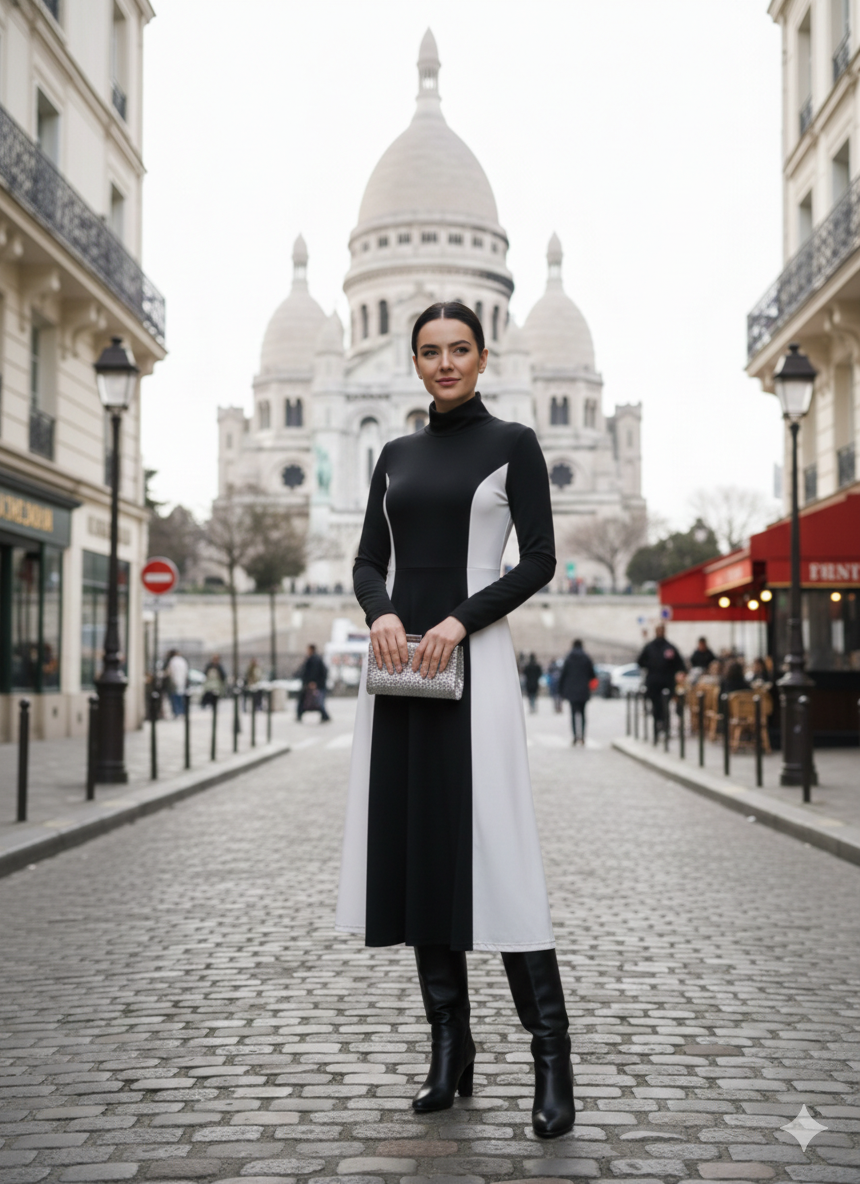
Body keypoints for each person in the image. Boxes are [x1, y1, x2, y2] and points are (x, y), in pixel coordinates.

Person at [336, 301, 575, 1139]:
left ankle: (552, 1059)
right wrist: (383, 613)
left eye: (459, 349)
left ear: (483, 356)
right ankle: (450, 1049)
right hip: (402, 669)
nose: (444, 363)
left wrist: (457, 620)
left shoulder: (513, 445)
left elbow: (541, 558)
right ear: (414, 360)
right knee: (417, 851)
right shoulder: (395, 454)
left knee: (499, 850)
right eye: (430, 351)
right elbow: (369, 558)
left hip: (475, 662)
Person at [637, 624, 685, 738]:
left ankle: (665, 727)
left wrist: (678, 672)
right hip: (653, 682)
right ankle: (657, 728)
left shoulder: (669, 647)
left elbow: (679, 664)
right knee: (656, 706)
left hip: (666, 682)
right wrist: (651, 666)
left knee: (665, 706)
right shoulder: (650, 647)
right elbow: (640, 661)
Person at [559, 639, 596, 746]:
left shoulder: (568, 658)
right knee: (583, 714)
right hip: (583, 690)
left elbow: (563, 675)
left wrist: (561, 690)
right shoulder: (586, 658)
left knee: (573, 714)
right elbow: (592, 675)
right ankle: (583, 736)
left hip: (571, 691)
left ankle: (575, 736)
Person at [296, 644, 331, 722]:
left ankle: (325, 716)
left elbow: (313, 671)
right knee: (316, 700)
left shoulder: (314, 659)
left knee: (317, 701)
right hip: (315, 683)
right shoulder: (314, 658)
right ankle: (324, 716)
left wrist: (312, 682)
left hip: (314, 684)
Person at [164, 648, 188, 717]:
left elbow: (169, 672)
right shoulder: (183, 661)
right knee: (181, 697)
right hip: (181, 681)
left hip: (174, 682)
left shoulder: (172, 661)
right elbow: (186, 672)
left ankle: (176, 712)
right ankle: (181, 711)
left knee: (174, 698)